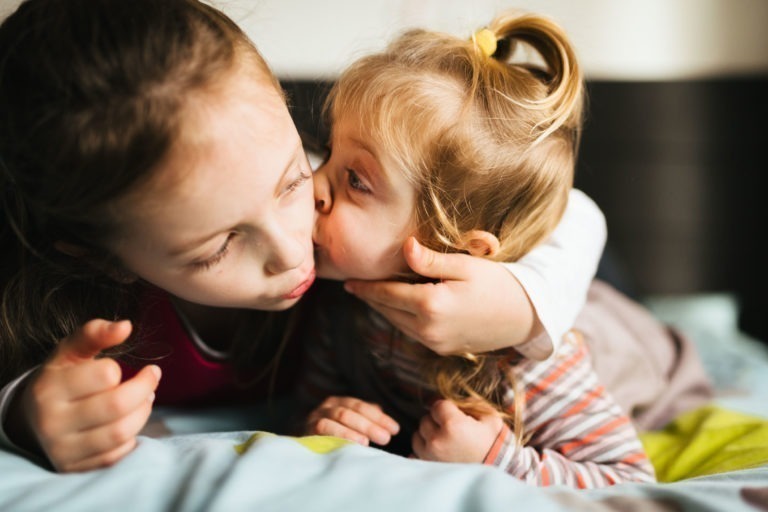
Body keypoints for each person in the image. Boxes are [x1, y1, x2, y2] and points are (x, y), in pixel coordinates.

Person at [0, 0, 605, 473]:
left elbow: (573, 209)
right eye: (217, 248)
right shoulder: (75, 317)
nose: (296, 248)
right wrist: (23, 414)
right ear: (104, 259)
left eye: (293, 180)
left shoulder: (337, 192)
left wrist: (522, 304)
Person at [301, 11, 655, 487]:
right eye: (329, 151)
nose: (313, 185)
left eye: (357, 180)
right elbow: (311, 401)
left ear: (450, 244)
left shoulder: (525, 366)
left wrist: (499, 460)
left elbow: (634, 481)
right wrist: (326, 417)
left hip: (633, 341)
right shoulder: (343, 305)